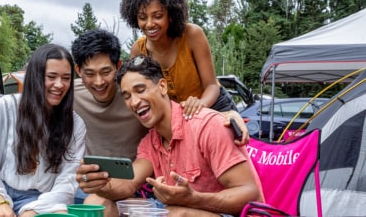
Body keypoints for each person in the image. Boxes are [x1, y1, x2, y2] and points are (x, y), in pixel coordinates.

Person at [77, 56, 263, 216]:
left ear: (163, 87)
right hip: (183, 209)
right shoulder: (150, 141)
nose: (134, 102)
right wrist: (100, 185)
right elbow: (128, 184)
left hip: (232, 214)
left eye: (140, 90)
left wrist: (193, 199)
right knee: (97, 202)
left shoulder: (208, 126)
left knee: (174, 214)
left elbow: (249, 193)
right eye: (126, 96)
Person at [0, 44, 86, 217]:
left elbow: (68, 181)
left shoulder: (76, 124)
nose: (59, 85)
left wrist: (33, 210)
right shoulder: (2, 108)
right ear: (35, 77)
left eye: (66, 78)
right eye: (51, 76)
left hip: (43, 198)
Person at [120, 0, 241, 126]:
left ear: (171, 15)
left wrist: (199, 105)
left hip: (214, 107)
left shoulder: (192, 35)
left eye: (157, 16)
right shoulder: (138, 50)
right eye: (142, 17)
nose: (150, 24)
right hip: (178, 119)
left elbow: (212, 86)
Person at [71, 29, 149, 205]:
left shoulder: (135, 97)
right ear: (78, 70)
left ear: (118, 66)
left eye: (106, 72)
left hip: (135, 184)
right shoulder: (70, 94)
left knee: (97, 204)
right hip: (88, 183)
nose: (99, 82)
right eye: (90, 74)